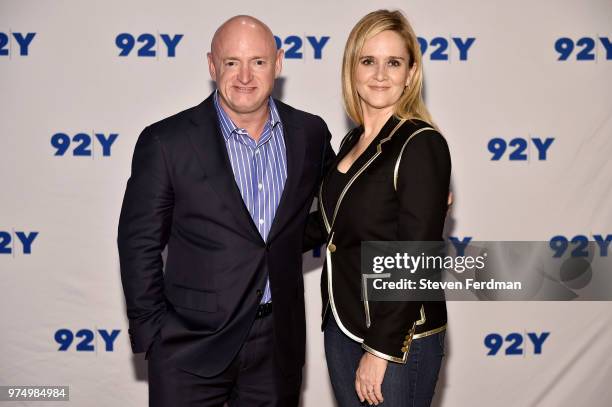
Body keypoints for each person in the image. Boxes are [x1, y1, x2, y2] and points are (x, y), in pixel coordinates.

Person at [117, 15, 334, 407]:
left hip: (277, 346)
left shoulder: (310, 133)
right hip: (188, 347)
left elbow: (339, 204)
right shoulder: (166, 141)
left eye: (259, 62)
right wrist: (154, 335)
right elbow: (138, 243)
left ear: (279, 63)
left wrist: (410, 189)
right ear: (211, 65)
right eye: (232, 62)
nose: (245, 76)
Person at [308, 9, 451, 407]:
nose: (380, 74)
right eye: (368, 61)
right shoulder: (353, 141)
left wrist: (380, 350)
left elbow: (417, 255)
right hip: (342, 322)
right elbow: (327, 227)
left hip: (397, 336)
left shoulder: (420, 144)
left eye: (394, 63)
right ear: (351, 68)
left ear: (410, 73)